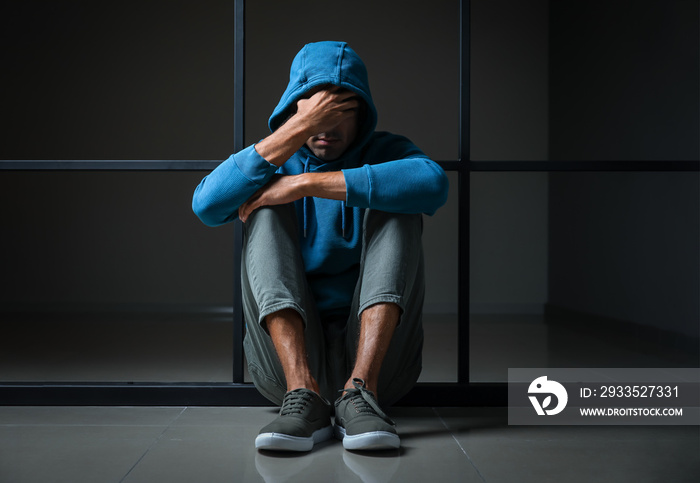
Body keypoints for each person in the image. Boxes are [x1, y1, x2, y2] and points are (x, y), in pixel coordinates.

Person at [192, 41, 448, 452]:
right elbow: (205, 205)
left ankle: (359, 391)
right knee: (264, 206)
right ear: (294, 110)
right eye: (314, 115)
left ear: (362, 114)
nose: (324, 130)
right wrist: (295, 133)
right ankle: (303, 394)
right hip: (283, 370)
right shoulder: (276, 157)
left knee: (400, 203)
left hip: (382, 370)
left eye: (339, 114)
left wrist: (305, 184)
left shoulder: (385, 150)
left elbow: (434, 184)